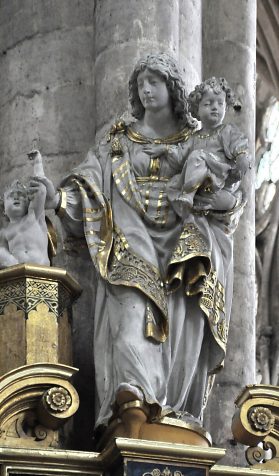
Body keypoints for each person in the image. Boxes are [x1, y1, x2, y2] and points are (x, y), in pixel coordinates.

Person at [33, 53, 246, 432]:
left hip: (183, 246)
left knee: (183, 324)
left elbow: (229, 191)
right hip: (130, 244)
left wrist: (221, 201)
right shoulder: (117, 140)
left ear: (173, 88)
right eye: (141, 84)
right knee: (131, 313)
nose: (147, 90)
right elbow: (90, 184)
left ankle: (174, 412)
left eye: (155, 82)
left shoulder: (199, 139)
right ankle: (133, 402)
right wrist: (58, 199)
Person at [165, 77, 249, 215]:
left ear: (226, 107)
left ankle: (189, 197)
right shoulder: (193, 138)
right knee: (173, 184)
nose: (215, 107)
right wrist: (167, 150)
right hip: (200, 187)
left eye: (220, 104)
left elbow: (239, 144)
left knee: (198, 156)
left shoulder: (227, 131)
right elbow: (180, 158)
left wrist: (242, 157)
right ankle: (193, 205)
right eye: (208, 104)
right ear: (197, 109)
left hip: (219, 180)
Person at [0, 151, 49, 267]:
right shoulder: (4, 232)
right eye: (11, 196)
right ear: (4, 210)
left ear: (28, 204)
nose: (16, 197)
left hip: (41, 270)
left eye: (21, 195)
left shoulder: (33, 216)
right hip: (17, 273)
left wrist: (37, 163)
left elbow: (40, 190)